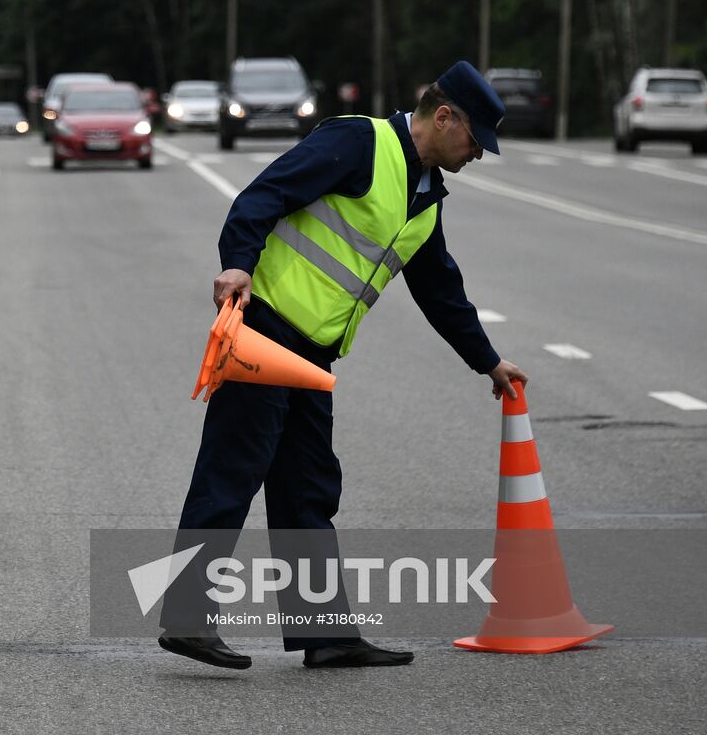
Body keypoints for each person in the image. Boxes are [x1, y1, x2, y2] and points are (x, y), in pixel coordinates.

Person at [158, 61, 528, 670]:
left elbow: (440, 289)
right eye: (475, 139)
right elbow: (263, 195)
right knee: (232, 470)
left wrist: (488, 362)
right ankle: (186, 619)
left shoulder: (424, 198)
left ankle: (325, 635)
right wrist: (238, 262)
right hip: (264, 330)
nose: (479, 154)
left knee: (307, 489)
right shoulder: (359, 142)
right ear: (444, 117)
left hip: (313, 354)